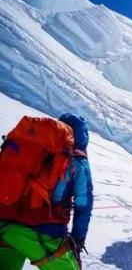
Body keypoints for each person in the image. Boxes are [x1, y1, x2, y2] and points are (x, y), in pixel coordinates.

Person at [0, 113, 93, 270]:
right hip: (42, 231)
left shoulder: (32, 149)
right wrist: (77, 240)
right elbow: (83, 205)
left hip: (3, 224)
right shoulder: (77, 161)